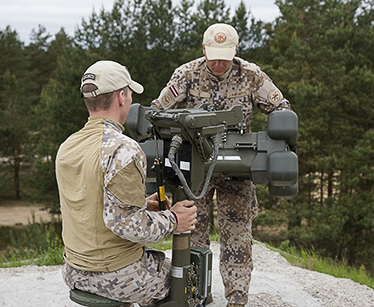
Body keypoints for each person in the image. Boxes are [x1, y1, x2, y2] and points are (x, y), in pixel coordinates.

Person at [151, 23, 293, 307]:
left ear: (236, 50)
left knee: (237, 236)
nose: (218, 63)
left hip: (236, 170)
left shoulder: (250, 75)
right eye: (213, 55)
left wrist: (274, 146)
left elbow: (282, 108)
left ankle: (237, 299)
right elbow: (158, 112)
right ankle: (195, 294)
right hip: (193, 171)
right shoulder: (186, 74)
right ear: (204, 49)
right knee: (192, 234)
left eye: (225, 57)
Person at [56, 60, 197, 307]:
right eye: (130, 94)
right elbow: (128, 226)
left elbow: (91, 202)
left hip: (74, 270)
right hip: (115, 274)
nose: (130, 100)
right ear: (121, 97)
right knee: (186, 282)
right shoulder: (123, 149)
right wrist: (174, 220)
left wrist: (141, 204)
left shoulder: (68, 145)